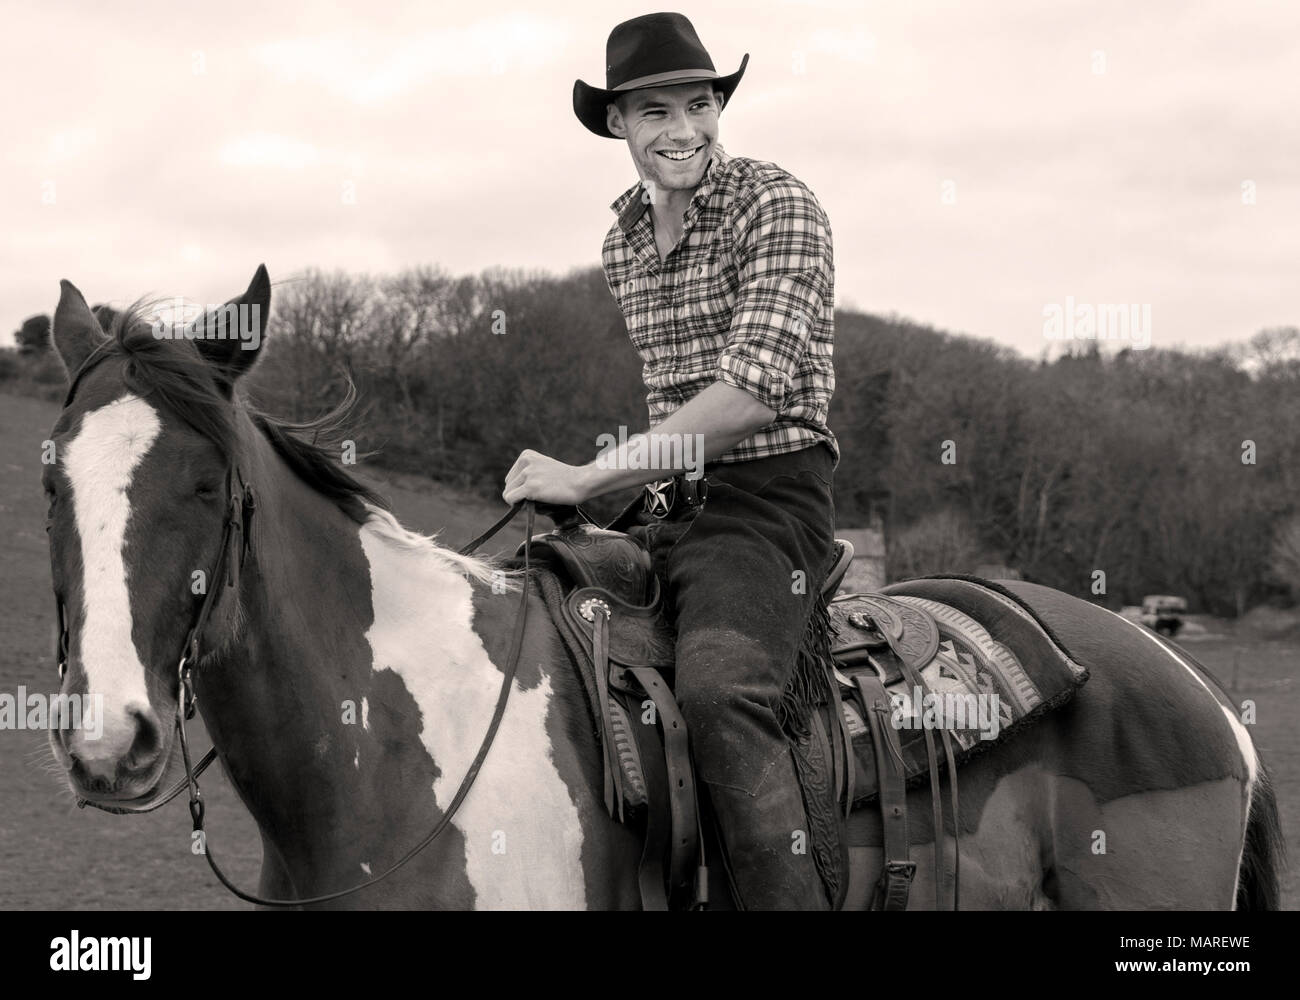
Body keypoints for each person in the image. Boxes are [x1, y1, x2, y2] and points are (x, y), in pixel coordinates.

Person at [503, 12, 839, 909]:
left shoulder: (778, 204)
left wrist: (585, 475)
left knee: (723, 693)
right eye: (655, 112)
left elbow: (746, 400)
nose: (683, 130)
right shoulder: (620, 245)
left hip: (771, 497)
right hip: (666, 504)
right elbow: (672, 409)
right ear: (618, 123)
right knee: (520, 627)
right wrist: (601, 502)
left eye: (700, 104)